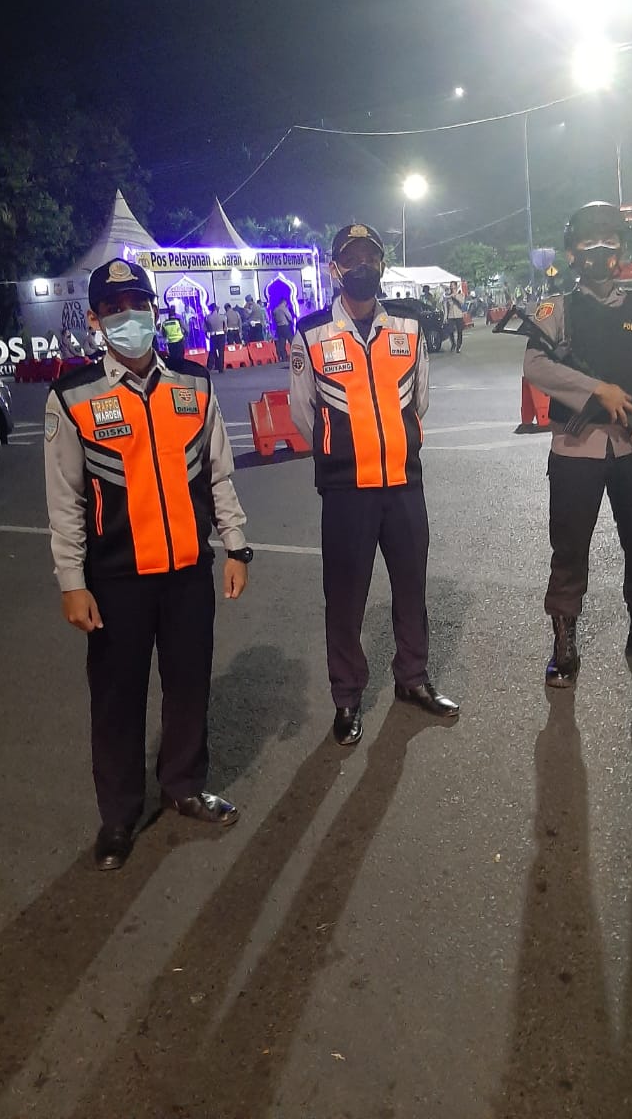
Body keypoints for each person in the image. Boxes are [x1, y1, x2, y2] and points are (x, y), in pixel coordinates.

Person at [44, 257, 253, 870]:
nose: (128, 316)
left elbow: (219, 473)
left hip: (188, 571)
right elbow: (65, 501)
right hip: (116, 580)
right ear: (95, 319)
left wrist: (236, 546)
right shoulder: (72, 396)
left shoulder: (194, 383)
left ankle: (183, 785)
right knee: (117, 699)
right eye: (114, 308)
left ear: (154, 310)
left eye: (137, 303)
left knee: (189, 684)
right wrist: (72, 583)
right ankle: (118, 816)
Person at [289, 223, 459, 746]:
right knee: (345, 599)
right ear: (334, 268)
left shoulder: (408, 325)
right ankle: (347, 697)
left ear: (382, 265)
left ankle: (413, 677)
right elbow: (302, 412)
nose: (362, 266)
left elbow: (420, 399)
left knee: (411, 588)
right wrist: (344, 447)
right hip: (346, 491)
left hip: (404, 484)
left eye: (370, 257)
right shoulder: (311, 332)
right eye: (351, 258)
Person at [522, 202, 632, 690]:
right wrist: (597, 391)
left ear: (621, 250)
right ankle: (563, 643)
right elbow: (536, 366)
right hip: (577, 450)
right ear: (573, 253)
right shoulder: (557, 309)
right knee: (569, 546)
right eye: (588, 242)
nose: (599, 251)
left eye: (609, 241)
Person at [271, 293, 295, 363]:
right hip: (285, 326)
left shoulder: (275, 309)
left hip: (279, 327)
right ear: (284, 302)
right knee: (291, 340)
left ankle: (284, 357)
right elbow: (289, 317)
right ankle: (294, 354)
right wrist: (292, 321)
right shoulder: (283, 308)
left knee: (282, 343)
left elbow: (274, 319)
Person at [443, 281, 465, 351]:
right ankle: (453, 343)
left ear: (456, 286)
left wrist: (455, 296)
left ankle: (459, 346)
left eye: (453, 285)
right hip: (451, 315)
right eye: (450, 285)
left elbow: (462, 302)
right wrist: (445, 317)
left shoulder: (460, 294)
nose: (451, 287)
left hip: (458, 315)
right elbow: (446, 307)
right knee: (450, 330)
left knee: (459, 331)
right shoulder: (448, 296)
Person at [205, 303, 226, 373]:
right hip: (221, 334)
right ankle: (221, 368)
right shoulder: (222, 316)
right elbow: (225, 328)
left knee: (212, 351)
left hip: (213, 335)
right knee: (221, 352)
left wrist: (207, 333)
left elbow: (205, 328)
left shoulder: (208, 317)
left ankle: (209, 366)